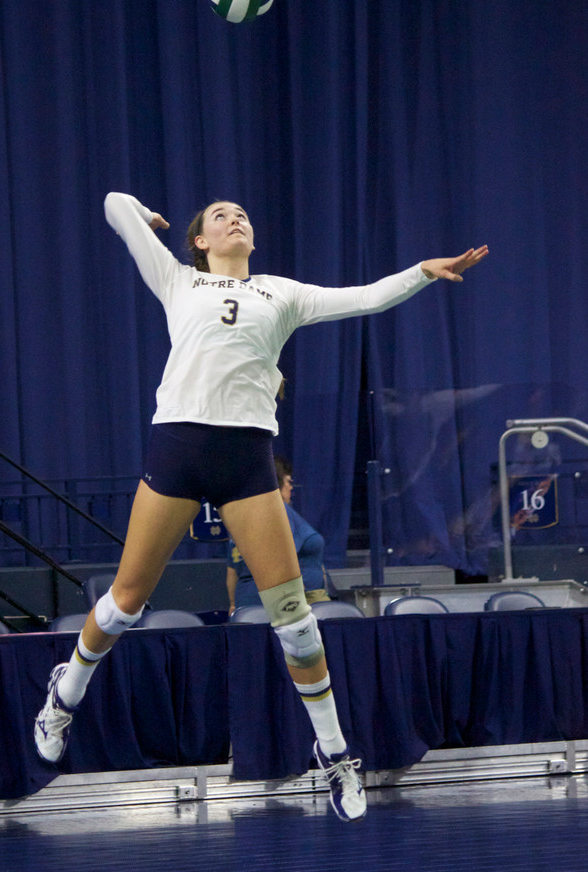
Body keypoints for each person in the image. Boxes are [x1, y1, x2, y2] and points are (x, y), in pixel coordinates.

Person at [34, 192, 488, 823]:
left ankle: (334, 754)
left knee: (294, 619)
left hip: (248, 459)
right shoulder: (177, 278)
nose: (235, 219)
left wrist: (421, 273)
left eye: (243, 213)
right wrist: (144, 215)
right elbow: (110, 204)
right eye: (220, 216)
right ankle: (67, 691)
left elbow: (363, 297)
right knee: (127, 599)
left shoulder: (284, 293)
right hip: (178, 448)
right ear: (200, 241)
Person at [227, 455, 331, 613]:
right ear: (276, 482)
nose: (291, 487)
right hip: (291, 602)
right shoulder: (280, 512)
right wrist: (299, 600)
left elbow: (232, 571)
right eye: (289, 481)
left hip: (247, 603)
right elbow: (282, 559)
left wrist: (234, 606)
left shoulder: (243, 515)